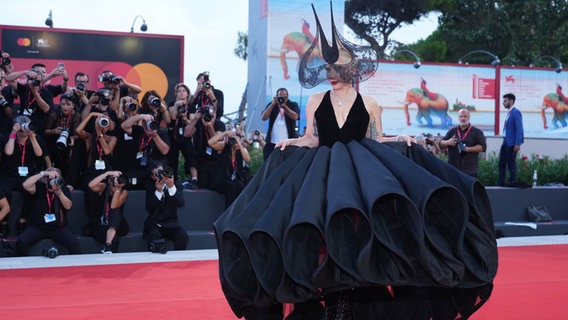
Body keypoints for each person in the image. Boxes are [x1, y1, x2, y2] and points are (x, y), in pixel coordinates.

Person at [214, 4, 497, 320]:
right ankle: (332, 297)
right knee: (323, 229)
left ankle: (355, 295)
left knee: (359, 229)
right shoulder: (317, 101)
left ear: (349, 69)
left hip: (361, 171)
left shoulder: (370, 102)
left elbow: (375, 139)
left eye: (336, 68)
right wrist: (292, 141)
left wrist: (400, 139)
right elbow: (313, 137)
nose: (331, 74)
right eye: (328, 68)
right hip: (324, 171)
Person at [16, 167, 81, 256]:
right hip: (38, 227)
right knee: (22, 241)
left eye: (56, 178)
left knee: (74, 243)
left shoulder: (63, 189)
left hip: (57, 228)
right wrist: (43, 174)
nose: (54, 181)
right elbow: (25, 185)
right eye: (51, 178)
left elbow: (68, 206)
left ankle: (75, 267)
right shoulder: (39, 187)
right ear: (45, 179)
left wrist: (59, 192)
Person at [143, 161, 188, 252]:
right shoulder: (150, 186)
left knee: (183, 237)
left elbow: (181, 203)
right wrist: (158, 192)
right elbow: (149, 208)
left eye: (162, 173)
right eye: (157, 175)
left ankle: (178, 261)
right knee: (153, 236)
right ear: (152, 177)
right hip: (155, 223)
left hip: (171, 223)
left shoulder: (176, 185)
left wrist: (171, 187)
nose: (161, 176)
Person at [87, 170, 130, 253]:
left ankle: (107, 245)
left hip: (118, 225)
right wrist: (106, 174)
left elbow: (113, 206)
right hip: (102, 223)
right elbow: (91, 185)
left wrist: (118, 189)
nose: (116, 182)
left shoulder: (124, 192)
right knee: (115, 239)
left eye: (118, 179)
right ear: (109, 180)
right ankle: (108, 245)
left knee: (116, 211)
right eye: (114, 179)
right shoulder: (104, 187)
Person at [440, 109, 487, 177]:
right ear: (458, 118)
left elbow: (483, 147)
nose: (463, 118)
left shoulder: (477, 132)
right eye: (461, 116)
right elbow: (441, 144)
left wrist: (468, 149)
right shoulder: (452, 131)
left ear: (469, 118)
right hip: (453, 169)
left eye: (465, 116)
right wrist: (448, 142)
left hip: (470, 170)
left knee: (468, 187)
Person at [260, 87, 300, 159]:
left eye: (284, 97)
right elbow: (263, 117)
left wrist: (284, 106)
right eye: (280, 97)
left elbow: (295, 117)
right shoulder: (272, 105)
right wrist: (272, 104)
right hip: (272, 143)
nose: (282, 99)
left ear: (287, 97)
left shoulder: (292, 105)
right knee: (269, 164)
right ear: (276, 96)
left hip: (288, 143)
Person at [498, 93, 524, 186]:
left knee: (511, 164)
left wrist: (518, 143)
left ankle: (513, 183)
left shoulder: (516, 112)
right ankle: (501, 183)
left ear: (511, 101)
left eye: (505, 101)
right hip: (505, 141)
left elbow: (519, 128)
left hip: (512, 143)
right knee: (501, 163)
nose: (503, 103)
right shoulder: (509, 112)